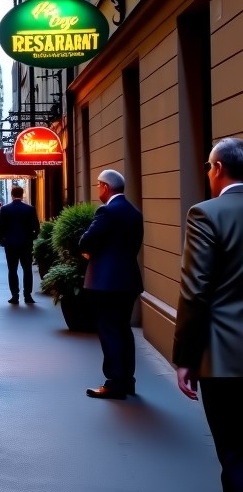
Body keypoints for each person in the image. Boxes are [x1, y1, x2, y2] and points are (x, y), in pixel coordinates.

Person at [173, 137, 243, 492]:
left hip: (225, 361)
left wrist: (185, 357)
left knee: (235, 455)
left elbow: (195, 291)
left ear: (217, 169)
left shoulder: (206, 214)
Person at [79, 168, 144, 400]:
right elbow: (130, 245)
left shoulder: (106, 211)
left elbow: (86, 239)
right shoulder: (134, 212)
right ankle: (127, 381)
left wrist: (90, 252)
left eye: (98, 186)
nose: (98, 190)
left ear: (105, 187)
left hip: (107, 283)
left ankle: (114, 382)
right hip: (129, 280)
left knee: (109, 331)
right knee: (124, 330)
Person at [0, 184, 40, 304]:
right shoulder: (30, 209)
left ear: (12, 195)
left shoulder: (5, 209)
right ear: (22, 194)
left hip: (10, 244)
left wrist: (1, 240)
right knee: (27, 269)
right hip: (26, 243)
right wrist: (31, 237)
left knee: (12, 270)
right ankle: (27, 295)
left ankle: (14, 295)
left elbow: (1, 227)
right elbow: (36, 227)